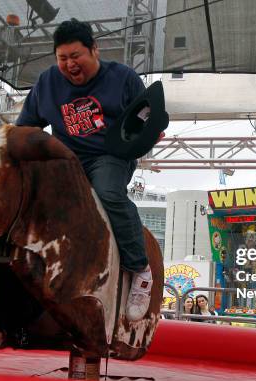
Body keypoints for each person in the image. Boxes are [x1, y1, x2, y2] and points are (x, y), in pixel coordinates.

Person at [16, 18, 164, 322]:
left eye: (75, 56)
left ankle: (140, 270)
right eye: (62, 58)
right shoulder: (47, 83)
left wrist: (151, 131)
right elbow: (26, 127)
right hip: (66, 159)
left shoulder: (122, 78)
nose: (70, 64)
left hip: (110, 156)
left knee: (108, 192)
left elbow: (149, 113)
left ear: (94, 50)